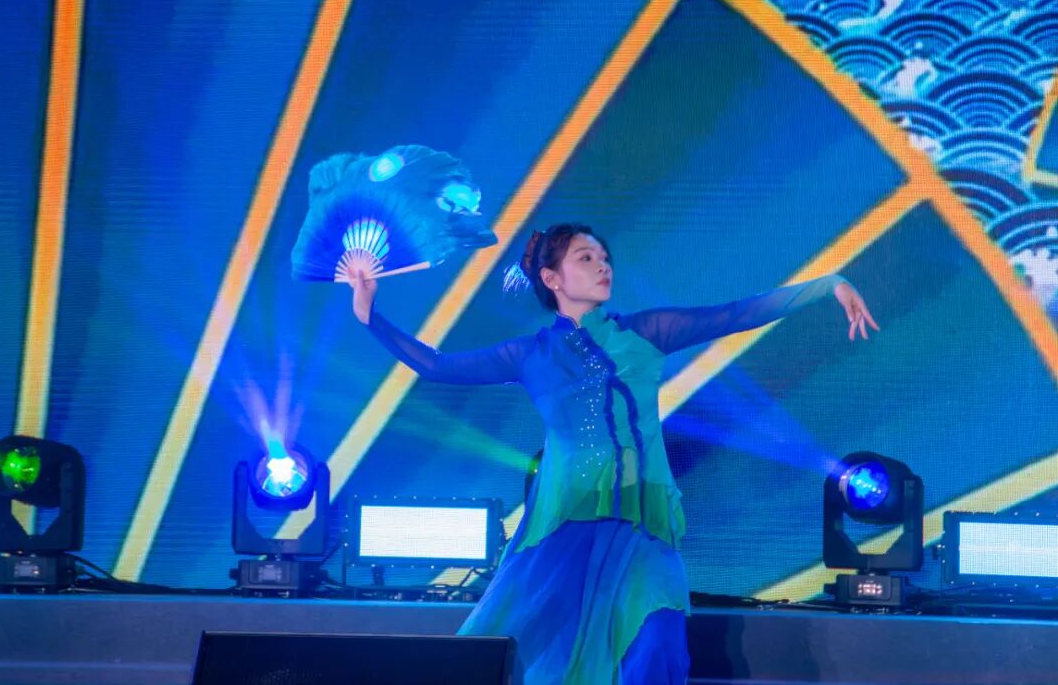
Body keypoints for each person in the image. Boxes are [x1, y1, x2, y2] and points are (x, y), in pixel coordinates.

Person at [348, 223, 878, 684]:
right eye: (586, 258)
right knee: (525, 647)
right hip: (566, 530)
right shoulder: (530, 355)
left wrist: (826, 284)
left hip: (642, 526)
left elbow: (735, 313)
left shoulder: (645, 332)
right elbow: (437, 365)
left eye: (604, 257)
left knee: (659, 642)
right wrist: (370, 316)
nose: (602, 266)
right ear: (552, 279)